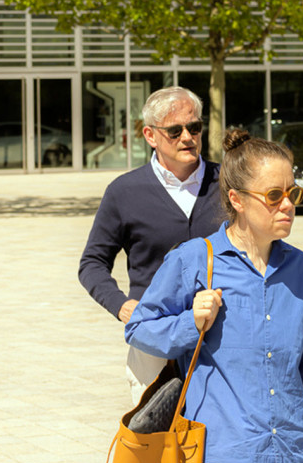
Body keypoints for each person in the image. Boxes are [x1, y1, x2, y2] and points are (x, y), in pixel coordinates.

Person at [126, 128, 303, 463]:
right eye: (274, 195)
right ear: (236, 199)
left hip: (290, 461)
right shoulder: (193, 260)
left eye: (293, 193)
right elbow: (138, 329)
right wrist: (189, 322)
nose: (288, 205)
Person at [79, 86, 221, 404]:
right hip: (156, 343)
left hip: (223, 337)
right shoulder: (124, 192)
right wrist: (120, 305)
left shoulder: (227, 184)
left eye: (194, 127)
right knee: (158, 433)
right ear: (150, 135)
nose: (188, 137)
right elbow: (92, 263)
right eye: (175, 131)